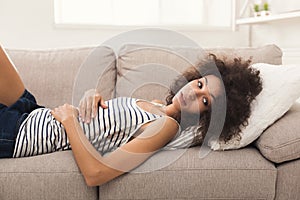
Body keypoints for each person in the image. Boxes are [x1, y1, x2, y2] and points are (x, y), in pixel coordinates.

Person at [0, 44, 262, 186]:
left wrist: (71, 122)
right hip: (35, 112)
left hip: (22, 134)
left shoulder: (166, 127)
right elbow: (109, 124)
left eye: (205, 101)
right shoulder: (156, 104)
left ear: (207, 118)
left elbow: (96, 174)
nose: (193, 93)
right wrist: (91, 96)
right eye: (200, 84)